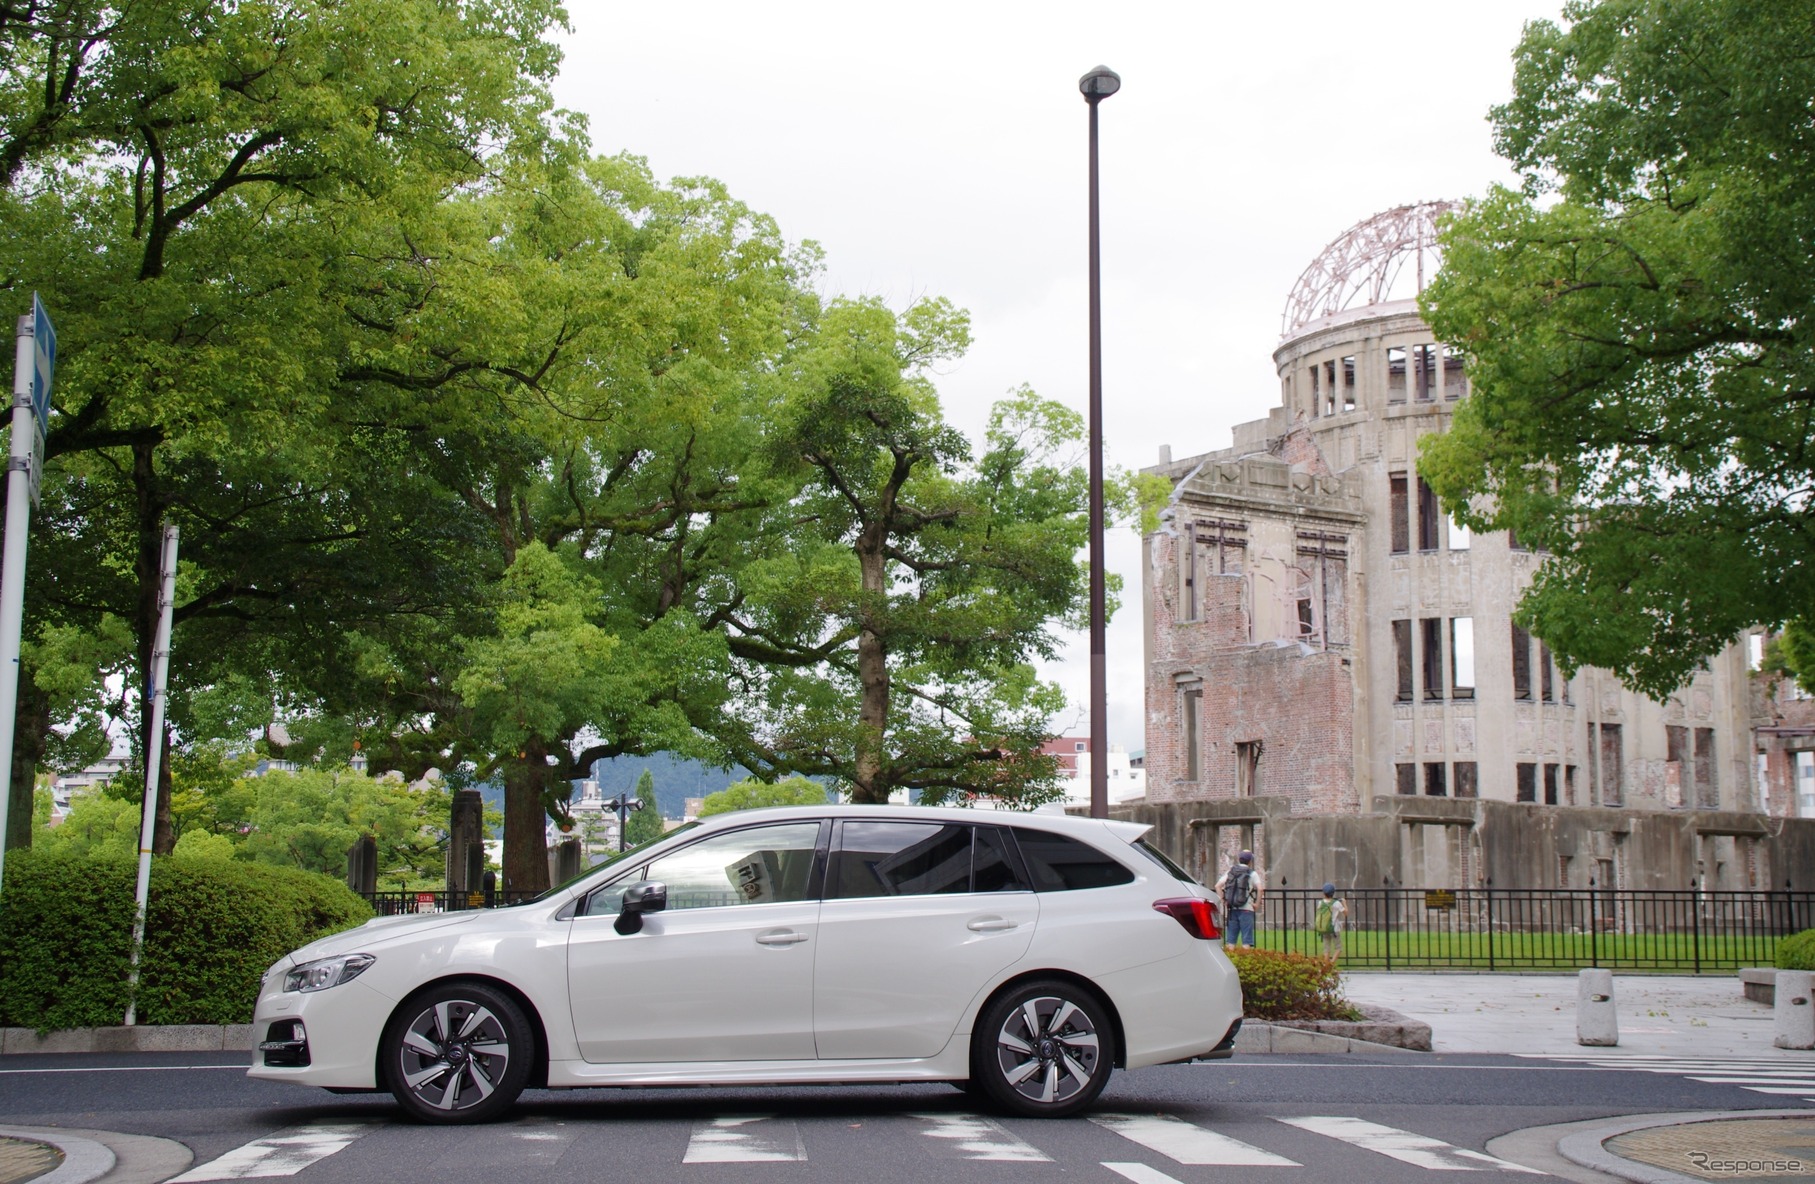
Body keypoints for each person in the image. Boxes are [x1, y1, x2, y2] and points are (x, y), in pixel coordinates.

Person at [1218, 850, 1263, 948]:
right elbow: (1260, 889)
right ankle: (1245, 959)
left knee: (1231, 940)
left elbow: (1217, 886)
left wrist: (1224, 900)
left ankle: (1231, 960)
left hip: (1233, 908)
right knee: (1246, 940)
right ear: (1250, 861)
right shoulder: (1252, 873)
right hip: (1247, 908)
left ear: (1239, 859)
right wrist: (1257, 904)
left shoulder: (1231, 871)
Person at [1314, 882, 1348, 959]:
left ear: (1324, 893)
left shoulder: (1320, 902)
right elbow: (1346, 913)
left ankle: (1326, 966)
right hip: (1334, 929)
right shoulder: (1336, 903)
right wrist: (1344, 903)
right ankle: (1331, 964)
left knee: (1326, 948)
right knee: (1338, 948)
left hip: (1324, 928)